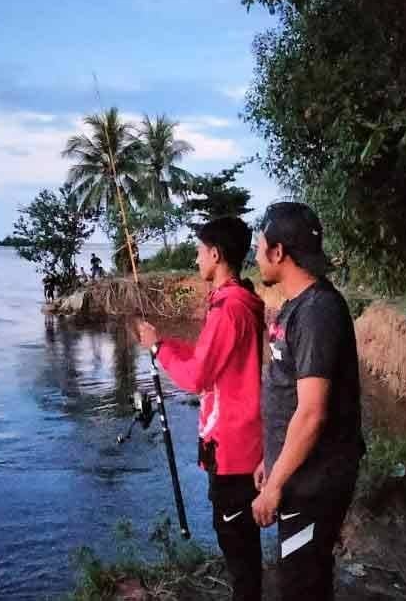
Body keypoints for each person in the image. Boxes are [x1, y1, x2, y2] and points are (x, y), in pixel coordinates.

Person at [136, 217, 265, 601]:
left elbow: (196, 378)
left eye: (198, 251)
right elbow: (207, 361)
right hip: (236, 442)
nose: (195, 258)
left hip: (234, 448)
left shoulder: (229, 310)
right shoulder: (238, 301)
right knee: (241, 544)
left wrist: (158, 350)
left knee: (237, 546)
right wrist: (166, 346)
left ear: (215, 254)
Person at [251, 202, 366, 601]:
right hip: (298, 472)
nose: (255, 252)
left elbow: (313, 412)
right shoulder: (295, 306)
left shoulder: (318, 310)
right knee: (305, 577)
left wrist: (275, 484)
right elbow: (287, 393)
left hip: (314, 481)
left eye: (259, 243)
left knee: (301, 586)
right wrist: (272, 458)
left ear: (278, 252)